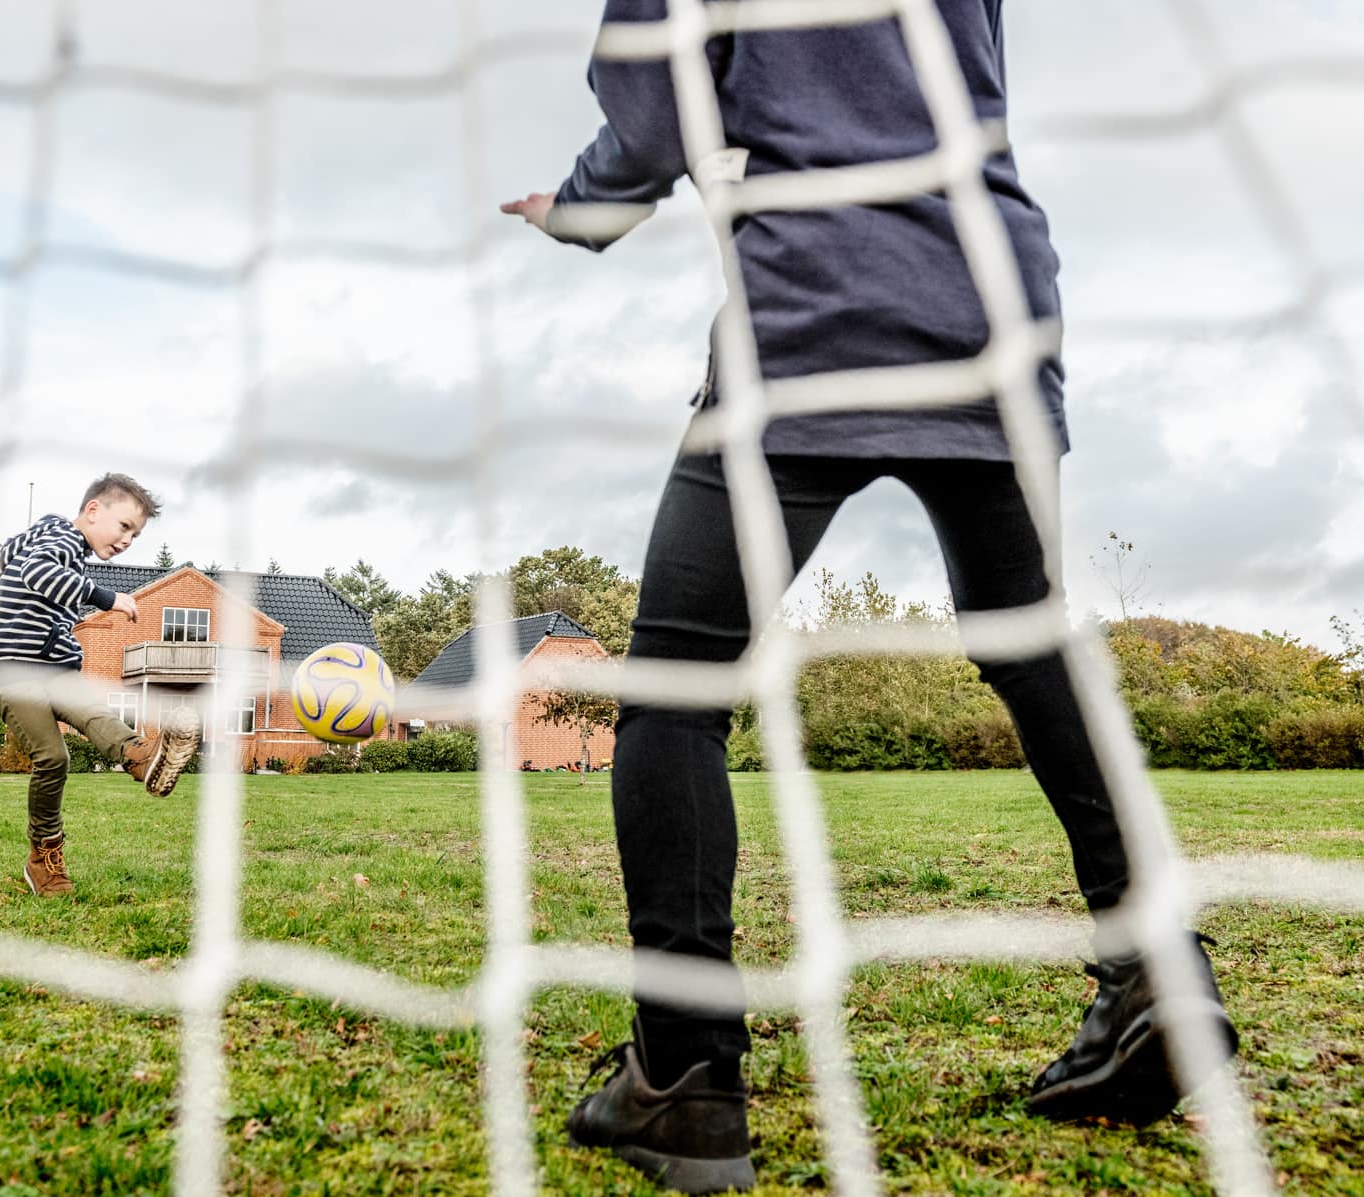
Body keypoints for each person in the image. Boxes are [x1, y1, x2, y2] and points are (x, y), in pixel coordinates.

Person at [502, 2, 1235, 1190]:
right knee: (1031, 647)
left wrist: (577, 213)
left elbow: (648, 112)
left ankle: (683, 1076)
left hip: (816, 308)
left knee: (672, 690)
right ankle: (1156, 971)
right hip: (988, 296)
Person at [0, 473, 200, 897]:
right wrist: (107, 598)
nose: (126, 542)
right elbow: (35, 572)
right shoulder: (61, 538)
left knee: (95, 714)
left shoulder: (60, 549)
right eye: (124, 527)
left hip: (53, 667)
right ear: (93, 510)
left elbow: (2, 600)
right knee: (53, 757)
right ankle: (43, 857)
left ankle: (142, 758)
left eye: (135, 536)